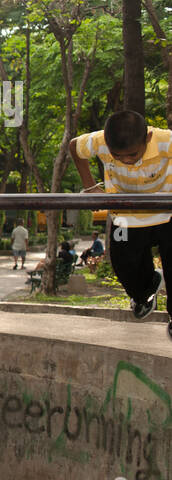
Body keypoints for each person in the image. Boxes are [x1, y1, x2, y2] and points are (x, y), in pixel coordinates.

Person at [69, 109, 172, 334]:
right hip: (125, 216)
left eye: (133, 155)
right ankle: (143, 292)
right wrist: (90, 186)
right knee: (122, 264)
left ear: (147, 139)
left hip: (167, 213)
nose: (126, 160)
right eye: (118, 156)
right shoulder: (99, 141)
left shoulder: (166, 141)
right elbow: (74, 146)